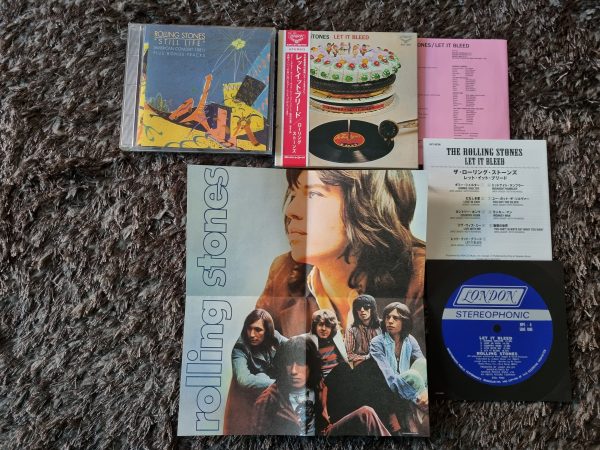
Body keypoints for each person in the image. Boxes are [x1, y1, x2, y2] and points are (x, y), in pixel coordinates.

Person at [256, 169, 426, 347]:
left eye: (313, 194)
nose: (291, 210)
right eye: (293, 195)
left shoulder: (419, 277)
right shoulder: (283, 272)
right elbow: (254, 357)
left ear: (366, 203)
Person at [253, 335, 390, 436]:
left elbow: (323, 419)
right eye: (289, 363)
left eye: (300, 363)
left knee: (366, 413)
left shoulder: (316, 384)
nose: (294, 371)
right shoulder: (267, 400)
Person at [223, 309, 287, 435]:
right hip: (255, 398)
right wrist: (280, 384)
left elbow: (295, 345)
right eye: (249, 329)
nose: (252, 334)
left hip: (279, 388)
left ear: (268, 331)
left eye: (258, 330)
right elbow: (244, 380)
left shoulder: (275, 336)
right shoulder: (240, 347)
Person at [369, 302, 428, 434]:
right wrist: (416, 396)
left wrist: (426, 391)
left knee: (422, 363)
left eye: (395, 318)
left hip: (405, 384)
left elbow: (423, 367)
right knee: (413, 375)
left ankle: (420, 405)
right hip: (386, 387)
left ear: (405, 322)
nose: (390, 321)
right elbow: (389, 377)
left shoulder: (410, 340)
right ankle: (417, 411)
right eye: (387, 317)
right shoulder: (377, 342)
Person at [305, 309, 350, 377]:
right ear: (315, 326)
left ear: (332, 328)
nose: (324, 329)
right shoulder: (309, 342)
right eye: (320, 325)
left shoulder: (337, 340)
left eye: (328, 325)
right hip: (322, 379)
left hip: (340, 376)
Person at [345, 294, 382, 367]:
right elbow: (349, 354)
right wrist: (367, 357)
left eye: (366, 307)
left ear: (372, 309)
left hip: (381, 360)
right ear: (356, 311)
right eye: (358, 307)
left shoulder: (383, 325)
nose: (362, 310)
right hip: (362, 362)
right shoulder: (351, 329)